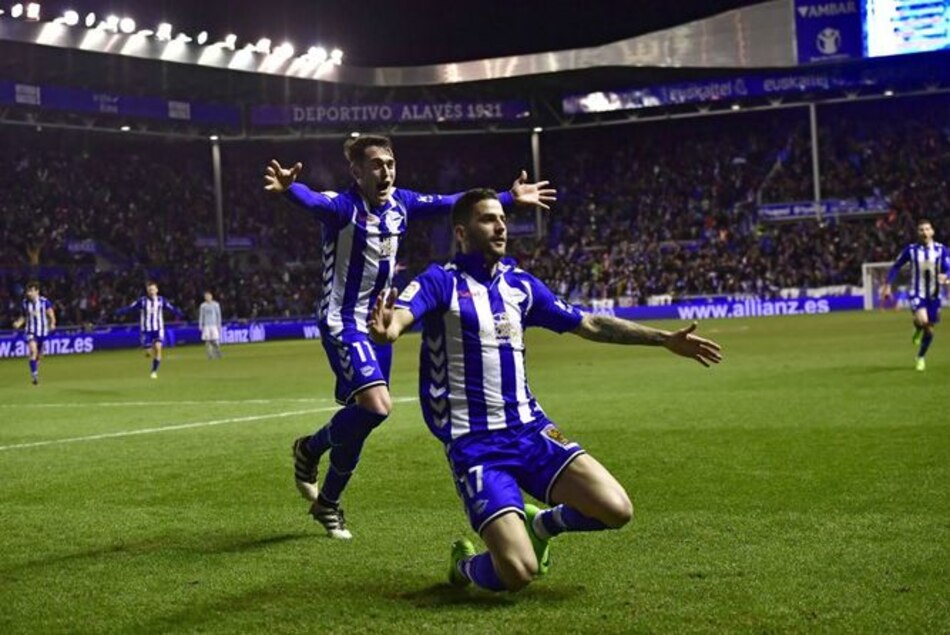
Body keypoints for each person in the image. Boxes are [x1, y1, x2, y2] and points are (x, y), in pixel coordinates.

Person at [368, 189, 723, 592]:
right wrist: (389, 329)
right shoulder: (440, 281)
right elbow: (400, 317)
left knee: (617, 509)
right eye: (488, 219)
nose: (501, 226)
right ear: (462, 232)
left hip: (530, 431)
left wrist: (662, 339)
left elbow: (588, 324)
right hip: (476, 446)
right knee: (518, 573)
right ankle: (465, 566)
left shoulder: (520, 285)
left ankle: (542, 523)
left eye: (502, 218)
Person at [264, 134, 556, 539]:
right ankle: (310, 449)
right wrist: (288, 189)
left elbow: (451, 201)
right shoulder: (344, 208)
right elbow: (315, 201)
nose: (385, 171)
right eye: (376, 165)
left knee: (364, 418)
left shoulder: (403, 203)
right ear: (357, 171)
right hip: (342, 321)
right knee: (378, 406)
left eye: (390, 163)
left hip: (379, 324)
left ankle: (327, 502)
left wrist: (507, 198)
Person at [882, 219, 950, 371]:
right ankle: (920, 326)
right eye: (921, 230)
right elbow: (896, 267)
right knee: (925, 321)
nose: (925, 232)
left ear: (932, 231)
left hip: (934, 294)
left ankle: (920, 356)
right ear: (918, 233)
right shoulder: (911, 250)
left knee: (930, 331)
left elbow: (948, 268)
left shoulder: (942, 250)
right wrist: (887, 286)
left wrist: (946, 277)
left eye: (927, 229)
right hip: (917, 292)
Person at [116, 281, 185, 379]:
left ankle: (154, 371)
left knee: (158, 348)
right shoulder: (142, 301)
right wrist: (119, 312)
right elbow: (130, 308)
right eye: (149, 290)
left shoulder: (161, 300)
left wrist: (181, 314)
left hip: (158, 329)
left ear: (157, 290)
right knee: (148, 352)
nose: (151, 291)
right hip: (146, 330)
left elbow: (171, 308)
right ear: (147, 291)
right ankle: (148, 350)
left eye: (153, 289)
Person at [12, 281, 56, 385]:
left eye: (31, 291)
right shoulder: (24, 303)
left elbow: (51, 314)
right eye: (28, 291)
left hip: (42, 332)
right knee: (33, 350)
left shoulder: (44, 302)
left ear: (37, 291)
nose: (29, 293)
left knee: (39, 356)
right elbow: (24, 316)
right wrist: (18, 323)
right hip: (30, 331)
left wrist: (53, 323)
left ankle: (35, 369)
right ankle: (34, 376)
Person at [199, 290, 223, 359]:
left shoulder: (216, 305)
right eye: (206, 297)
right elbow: (201, 315)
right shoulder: (203, 306)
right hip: (206, 326)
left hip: (214, 325)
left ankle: (217, 352)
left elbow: (219, 315)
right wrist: (200, 324)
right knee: (207, 341)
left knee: (214, 340)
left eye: (208, 296)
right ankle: (209, 355)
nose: (207, 298)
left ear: (211, 297)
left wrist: (219, 324)